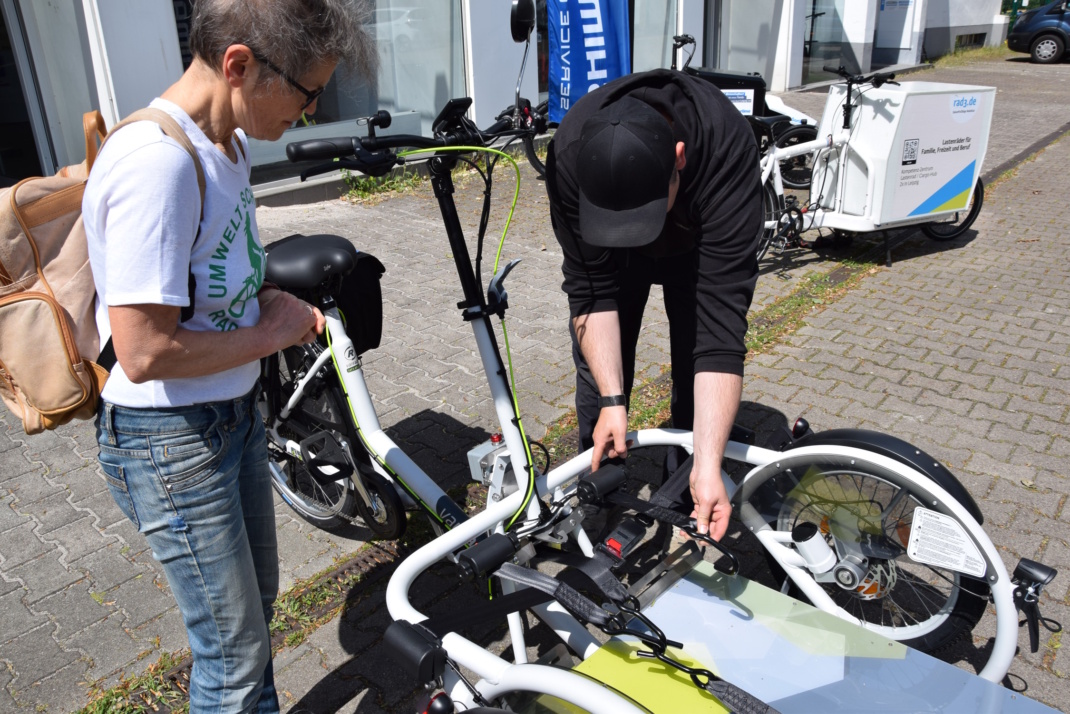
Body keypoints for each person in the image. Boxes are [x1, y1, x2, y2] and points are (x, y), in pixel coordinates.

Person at [83, 1, 375, 710]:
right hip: (171, 441)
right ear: (239, 64)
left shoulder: (228, 145)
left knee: (252, 614)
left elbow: (215, 268)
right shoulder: (158, 165)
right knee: (232, 653)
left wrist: (267, 300)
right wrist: (270, 333)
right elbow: (144, 351)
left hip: (231, 413)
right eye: (307, 94)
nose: (308, 115)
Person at [545, 69, 762, 543]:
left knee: (693, 361)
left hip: (698, 242)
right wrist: (612, 399)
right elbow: (589, 288)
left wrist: (709, 464)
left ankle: (693, 492)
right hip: (617, 264)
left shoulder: (726, 147)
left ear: (678, 159)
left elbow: (720, 335)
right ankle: (600, 492)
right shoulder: (567, 157)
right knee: (599, 380)